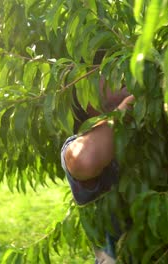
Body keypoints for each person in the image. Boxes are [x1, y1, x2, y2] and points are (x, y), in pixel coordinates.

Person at [60, 77, 134, 263]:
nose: (119, 83)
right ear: (86, 107)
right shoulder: (76, 146)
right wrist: (122, 112)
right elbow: (85, 161)